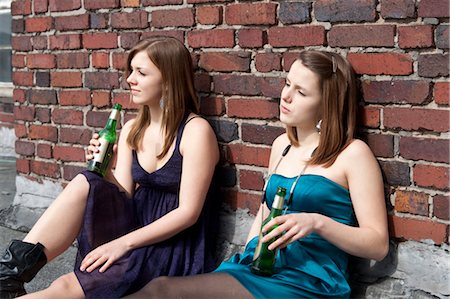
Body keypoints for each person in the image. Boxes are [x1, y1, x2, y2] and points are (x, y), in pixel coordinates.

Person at [126, 50, 389, 299]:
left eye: (301, 92)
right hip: (259, 266)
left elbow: (377, 245)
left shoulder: (353, 154)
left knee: (163, 290)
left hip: (310, 280)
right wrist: (248, 250)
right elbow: (265, 210)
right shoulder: (282, 146)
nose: (286, 96)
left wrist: (316, 222)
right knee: (162, 289)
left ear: (326, 105)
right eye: (288, 84)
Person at [0, 36, 219, 299]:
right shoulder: (132, 128)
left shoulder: (196, 132)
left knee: (66, 288)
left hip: (168, 243)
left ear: (169, 79)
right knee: (86, 180)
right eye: (131, 71)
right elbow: (124, 194)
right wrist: (104, 171)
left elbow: (188, 213)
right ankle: (8, 275)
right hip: (131, 227)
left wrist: (121, 244)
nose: (130, 80)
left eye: (141, 72)